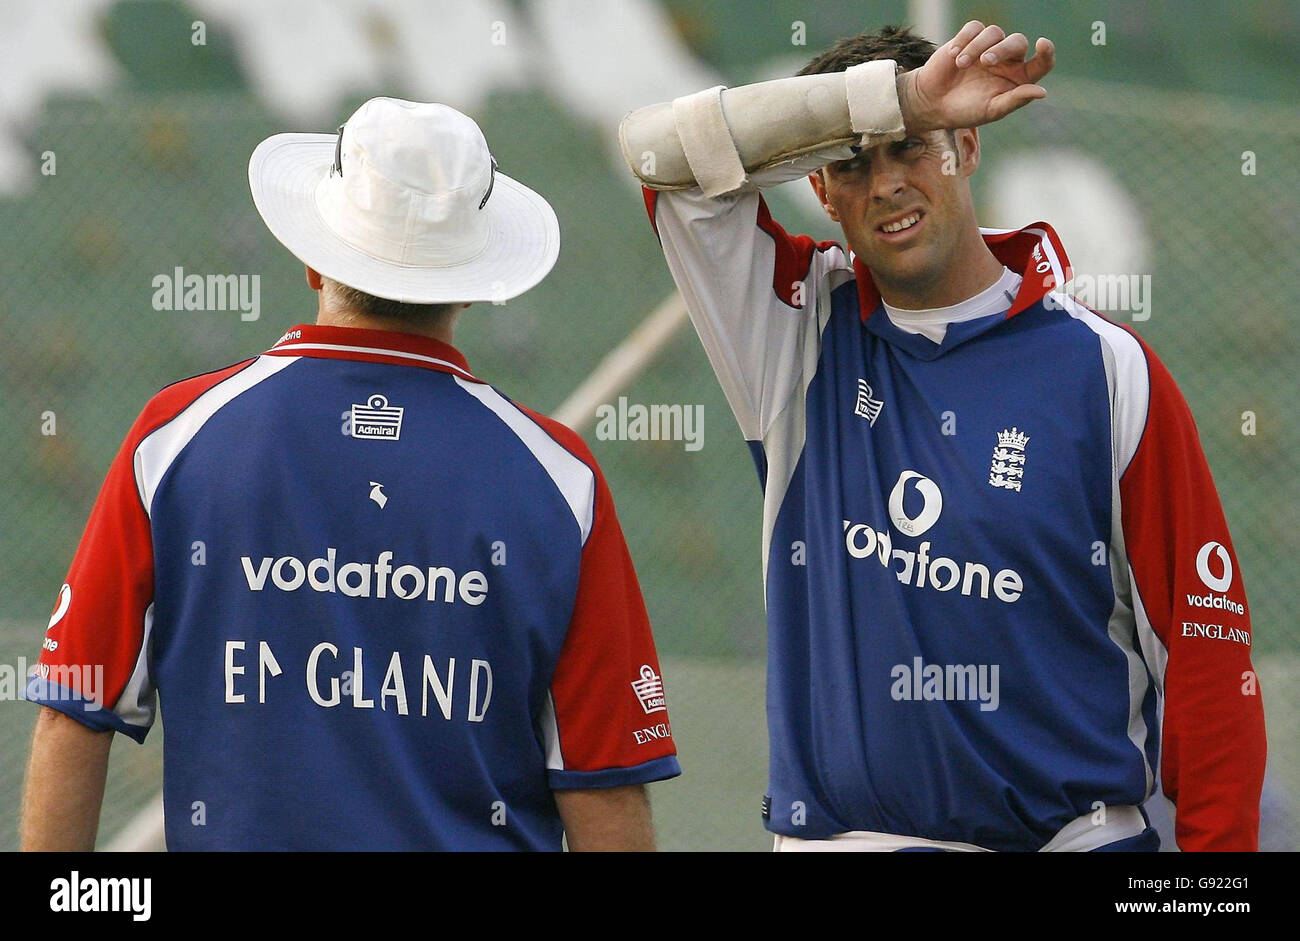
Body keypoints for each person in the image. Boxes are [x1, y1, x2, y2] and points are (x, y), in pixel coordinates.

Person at [621, 21, 1265, 851]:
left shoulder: (1108, 369)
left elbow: (1206, 661)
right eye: (853, 161)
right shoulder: (793, 331)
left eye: (912, 148)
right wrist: (895, 101)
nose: (885, 184)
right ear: (820, 188)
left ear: (967, 145)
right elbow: (659, 154)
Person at [21, 98, 679, 851]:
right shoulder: (558, 479)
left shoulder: (177, 438)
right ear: (469, 282)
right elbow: (607, 786)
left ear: (313, 257)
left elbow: (74, 707)